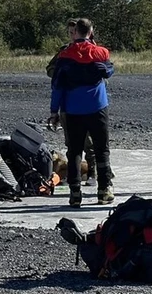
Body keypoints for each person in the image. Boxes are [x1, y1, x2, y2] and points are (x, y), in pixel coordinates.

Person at [48, 18, 115, 207]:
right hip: (97, 107)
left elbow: (57, 87)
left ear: (75, 32)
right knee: (102, 149)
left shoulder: (65, 55)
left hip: (73, 109)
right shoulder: (101, 52)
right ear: (91, 31)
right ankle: (104, 190)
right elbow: (108, 71)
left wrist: (54, 111)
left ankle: (75, 192)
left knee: (74, 151)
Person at [46, 19, 98, 186]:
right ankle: (74, 174)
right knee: (71, 142)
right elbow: (50, 69)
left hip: (88, 103)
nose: (72, 35)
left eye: (74, 32)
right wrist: (62, 74)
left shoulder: (93, 50)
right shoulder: (65, 52)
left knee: (89, 142)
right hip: (67, 104)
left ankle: (93, 172)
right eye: (69, 32)